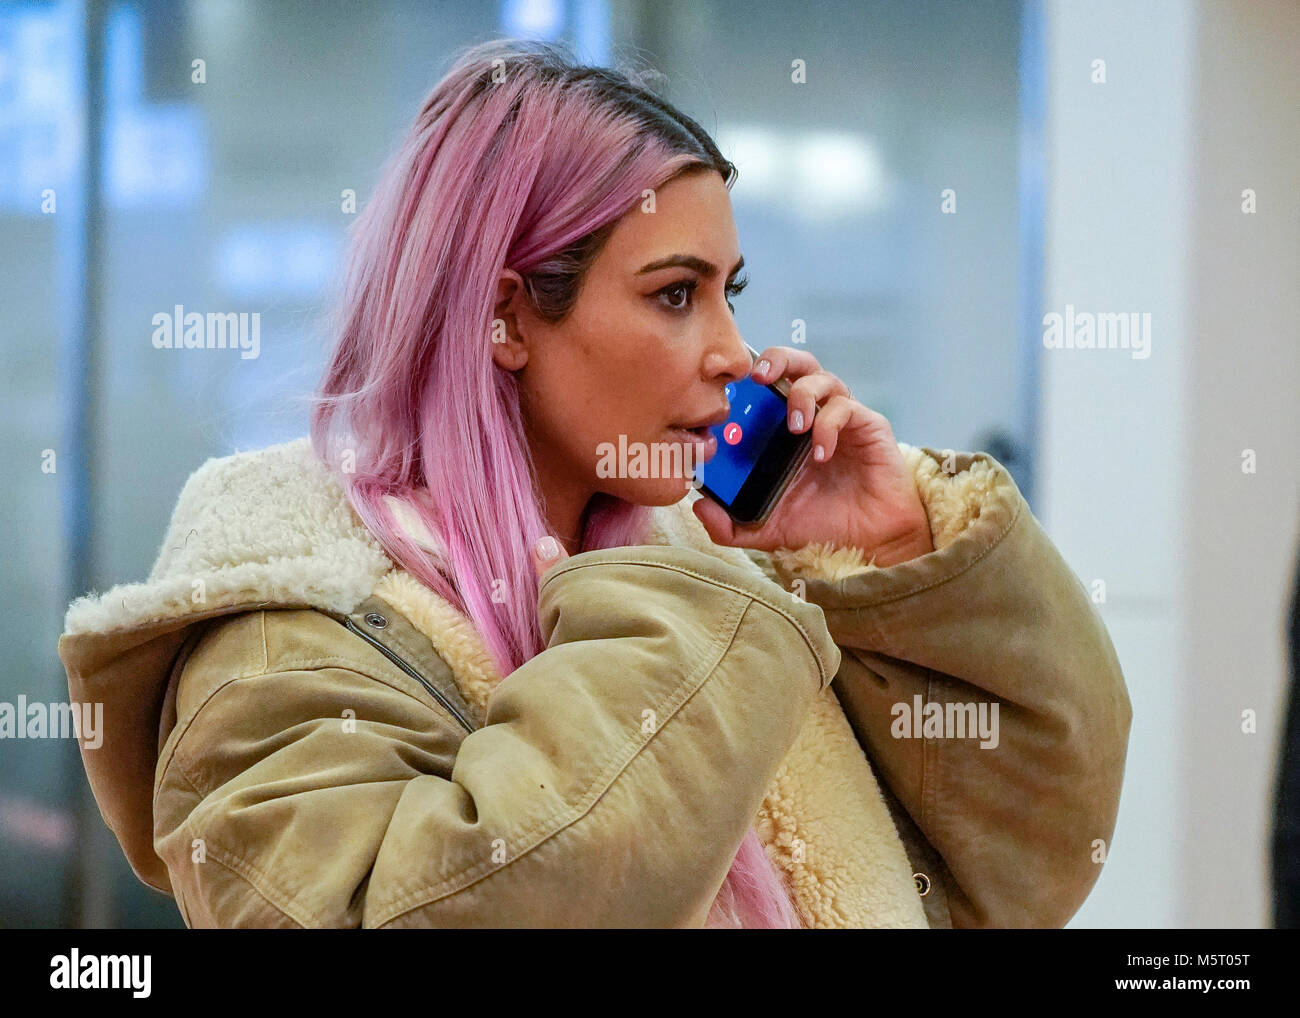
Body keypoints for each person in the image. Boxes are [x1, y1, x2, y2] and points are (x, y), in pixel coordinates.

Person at [57, 38, 1132, 928]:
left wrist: (894, 561)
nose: (734, 351)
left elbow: (1018, 867)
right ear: (509, 313)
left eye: (728, 293)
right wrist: (697, 627)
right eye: (675, 297)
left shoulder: (722, 581)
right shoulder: (288, 635)